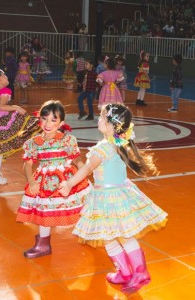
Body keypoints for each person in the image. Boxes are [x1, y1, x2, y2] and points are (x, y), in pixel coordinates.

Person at [59, 103, 168, 294]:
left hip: (109, 198)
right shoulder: (119, 143)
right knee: (111, 236)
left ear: (111, 124)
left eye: (102, 117)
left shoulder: (103, 148)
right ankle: (125, 271)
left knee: (121, 236)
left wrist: (69, 184)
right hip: (114, 194)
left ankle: (140, 272)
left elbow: (86, 169)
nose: (99, 120)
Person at [16, 100, 90, 259]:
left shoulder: (68, 140)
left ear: (61, 122)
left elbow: (77, 160)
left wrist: (83, 169)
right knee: (45, 213)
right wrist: (32, 181)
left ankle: (94, 233)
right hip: (45, 185)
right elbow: (27, 164)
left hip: (67, 180)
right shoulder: (33, 143)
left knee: (84, 208)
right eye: (44, 119)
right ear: (39, 119)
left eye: (53, 120)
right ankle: (43, 244)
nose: (47, 123)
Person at [0, 66, 40, 185]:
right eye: (4, 75)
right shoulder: (5, 91)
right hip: (0, 123)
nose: (6, 77)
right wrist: (16, 107)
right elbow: (2, 107)